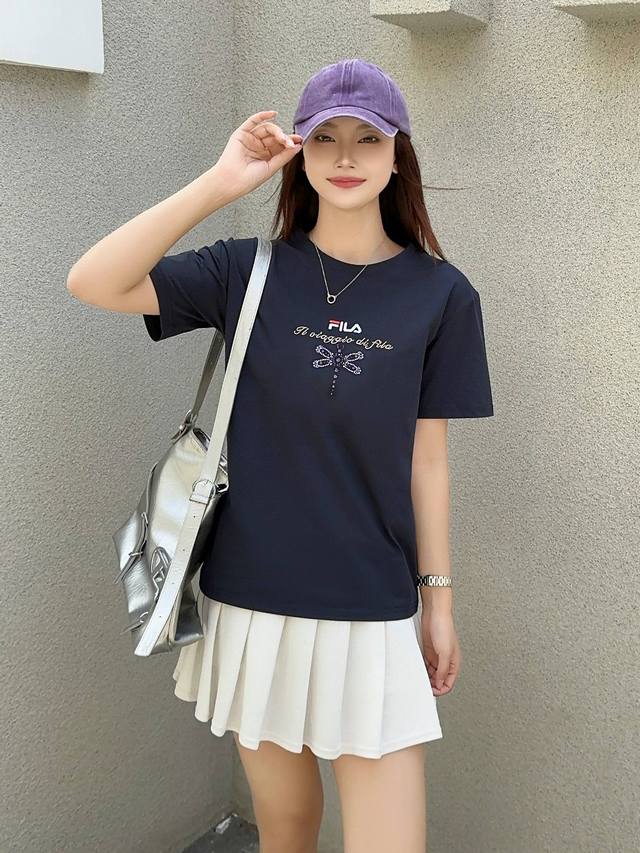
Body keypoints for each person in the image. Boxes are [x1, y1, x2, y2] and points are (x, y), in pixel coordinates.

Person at [67, 58, 494, 853]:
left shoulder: (442, 296)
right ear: (298, 150)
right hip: (253, 602)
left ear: (398, 153)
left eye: (368, 138)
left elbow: (427, 461)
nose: (346, 156)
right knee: (288, 827)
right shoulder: (246, 270)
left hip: (371, 603)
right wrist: (220, 183)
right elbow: (93, 280)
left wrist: (438, 602)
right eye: (325, 137)